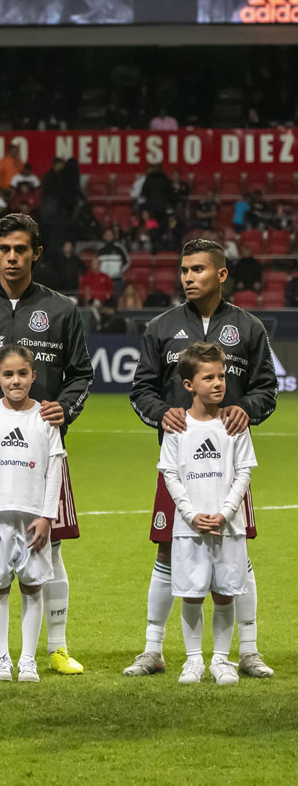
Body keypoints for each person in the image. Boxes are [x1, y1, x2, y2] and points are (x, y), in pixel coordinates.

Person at [0, 213, 94, 677]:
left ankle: (56, 647)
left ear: (36, 253)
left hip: (43, 457)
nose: (12, 257)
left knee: (52, 548)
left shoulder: (63, 311)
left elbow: (82, 375)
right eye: (5, 249)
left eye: (21, 249)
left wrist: (64, 408)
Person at [125, 238, 277, 679]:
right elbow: (142, 390)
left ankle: (246, 651)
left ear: (221, 274)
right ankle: (153, 649)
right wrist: (161, 413)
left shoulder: (249, 329)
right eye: (184, 270)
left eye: (198, 270)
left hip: (228, 470)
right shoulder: (160, 327)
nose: (188, 277)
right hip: (179, 468)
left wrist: (246, 409)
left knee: (237, 556)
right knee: (167, 555)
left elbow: (267, 389)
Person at [157, 342, 257, 686]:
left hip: (228, 527)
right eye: (209, 377)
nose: (218, 383)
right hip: (190, 528)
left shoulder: (234, 425)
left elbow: (244, 472)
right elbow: (170, 474)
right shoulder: (177, 426)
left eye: (222, 376)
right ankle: (193, 660)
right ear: (189, 385)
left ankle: (221, 660)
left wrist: (226, 513)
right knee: (192, 593)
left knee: (225, 593)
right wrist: (189, 515)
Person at [0, 344, 66, 683]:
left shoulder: (46, 417)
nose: (16, 380)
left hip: (33, 518)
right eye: (8, 374)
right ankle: (2, 660)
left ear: (34, 376)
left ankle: (27, 661)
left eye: (23, 373)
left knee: (32, 587)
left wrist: (47, 516)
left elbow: (55, 469)